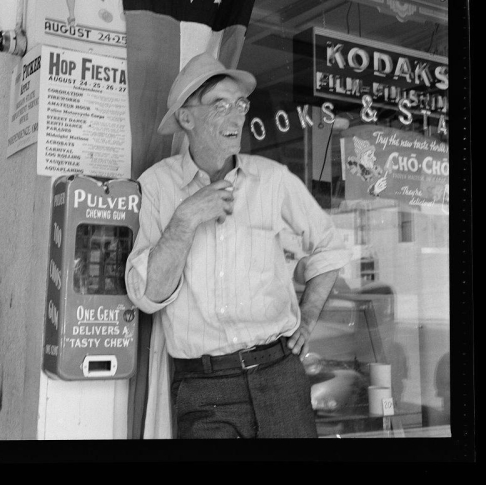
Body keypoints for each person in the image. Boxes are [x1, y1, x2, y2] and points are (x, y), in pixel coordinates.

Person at [125, 52, 351, 439]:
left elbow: (330, 247)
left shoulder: (273, 180)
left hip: (280, 374)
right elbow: (147, 295)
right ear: (186, 117)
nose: (236, 116)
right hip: (205, 386)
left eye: (240, 104)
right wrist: (185, 219)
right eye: (220, 105)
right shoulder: (157, 186)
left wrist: (310, 313)